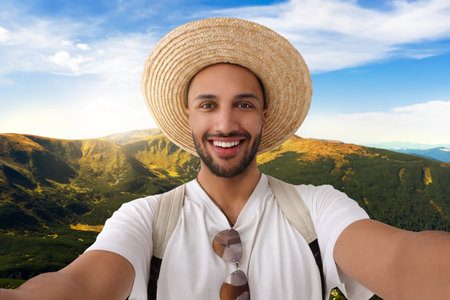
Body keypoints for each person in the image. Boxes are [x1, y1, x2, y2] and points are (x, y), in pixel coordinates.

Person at [1, 17, 449, 300]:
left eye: (245, 104)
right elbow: (77, 286)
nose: (226, 123)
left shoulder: (318, 208)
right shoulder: (143, 219)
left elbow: (400, 259)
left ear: (264, 116)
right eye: (208, 105)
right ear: (188, 116)